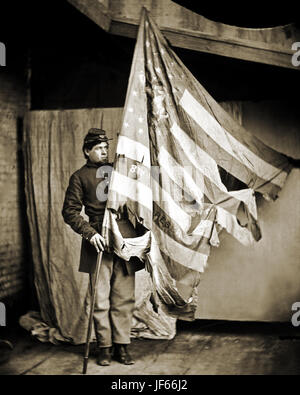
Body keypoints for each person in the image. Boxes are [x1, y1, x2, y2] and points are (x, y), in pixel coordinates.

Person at [62, 128, 135, 366]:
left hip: (124, 240)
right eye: (99, 148)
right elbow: (70, 211)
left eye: (106, 147)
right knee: (101, 298)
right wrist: (89, 233)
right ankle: (105, 346)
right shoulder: (79, 177)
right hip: (98, 241)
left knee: (124, 296)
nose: (105, 151)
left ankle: (122, 346)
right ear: (87, 151)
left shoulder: (120, 172)